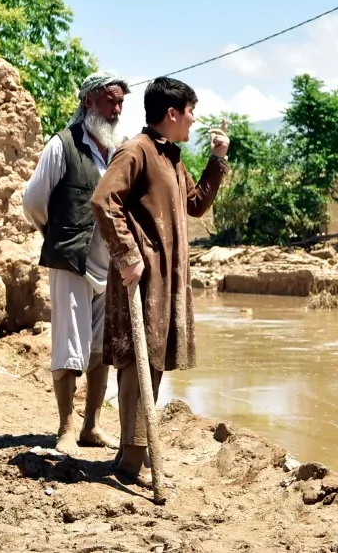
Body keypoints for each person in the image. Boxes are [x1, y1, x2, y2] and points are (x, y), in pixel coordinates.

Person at [91, 76, 229, 487]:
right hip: (143, 278)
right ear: (172, 113)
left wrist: (217, 158)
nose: (193, 120)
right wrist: (128, 256)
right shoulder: (136, 151)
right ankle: (132, 460)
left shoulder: (171, 156)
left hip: (166, 280)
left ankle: (133, 453)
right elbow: (103, 201)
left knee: (152, 361)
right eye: (190, 112)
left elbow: (196, 204)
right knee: (139, 362)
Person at [22, 71, 130, 455]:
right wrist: (55, 235)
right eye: (109, 101)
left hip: (110, 267)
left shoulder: (121, 150)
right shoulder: (63, 145)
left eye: (120, 103)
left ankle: (91, 426)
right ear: (88, 103)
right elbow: (33, 200)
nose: (116, 110)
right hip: (71, 260)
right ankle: (66, 427)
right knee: (69, 345)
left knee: (100, 347)